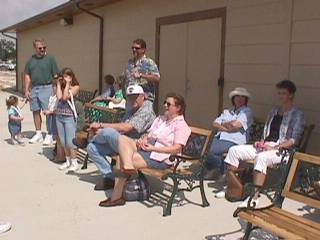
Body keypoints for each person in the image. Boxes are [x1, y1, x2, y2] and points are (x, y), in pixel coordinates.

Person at [98, 93, 191, 207]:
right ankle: (128, 167)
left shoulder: (181, 126)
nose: (165, 106)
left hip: (161, 156)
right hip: (148, 148)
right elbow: (149, 134)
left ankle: (116, 197)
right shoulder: (161, 119)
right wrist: (143, 140)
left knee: (120, 159)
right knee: (122, 138)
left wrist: (153, 148)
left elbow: (177, 149)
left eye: (168, 104)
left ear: (178, 108)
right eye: (165, 103)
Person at [223, 80, 305, 207]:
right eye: (279, 93)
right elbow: (267, 131)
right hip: (266, 146)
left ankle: (254, 197)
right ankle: (234, 188)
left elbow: (294, 140)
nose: (281, 96)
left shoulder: (297, 114)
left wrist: (275, 146)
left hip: (283, 151)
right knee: (234, 150)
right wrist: (261, 142)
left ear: (291, 95)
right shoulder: (274, 111)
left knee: (261, 157)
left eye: (283, 93)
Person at [86, 85, 155, 190]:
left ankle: (88, 138)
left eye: (135, 96)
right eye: (130, 97)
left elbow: (127, 127)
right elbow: (122, 127)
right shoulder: (132, 108)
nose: (132, 99)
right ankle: (109, 177)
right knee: (92, 148)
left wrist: (101, 126)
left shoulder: (146, 109)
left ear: (142, 96)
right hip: (123, 142)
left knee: (107, 132)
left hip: (136, 145)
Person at [204, 87, 253, 181]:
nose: (239, 99)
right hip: (220, 137)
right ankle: (216, 168)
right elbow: (215, 124)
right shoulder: (227, 111)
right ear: (233, 99)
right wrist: (228, 126)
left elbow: (235, 125)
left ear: (246, 99)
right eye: (237, 96)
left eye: (242, 97)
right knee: (203, 147)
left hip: (234, 140)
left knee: (208, 150)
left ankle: (220, 169)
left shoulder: (247, 112)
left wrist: (223, 124)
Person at [24, 38, 59, 144]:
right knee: (35, 111)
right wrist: (26, 90)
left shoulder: (50, 58)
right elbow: (27, 75)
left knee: (48, 112)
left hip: (47, 87)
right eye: (40, 48)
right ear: (35, 48)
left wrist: (56, 90)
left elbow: (56, 75)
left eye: (44, 47)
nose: (42, 49)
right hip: (34, 88)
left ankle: (50, 134)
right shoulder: (31, 60)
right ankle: (38, 133)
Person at [55, 68, 80, 172]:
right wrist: (58, 85)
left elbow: (65, 97)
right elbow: (59, 96)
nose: (64, 79)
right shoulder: (61, 86)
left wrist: (68, 84)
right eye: (63, 76)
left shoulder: (76, 87)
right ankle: (68, 160)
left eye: (66, 76)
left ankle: (74, 162)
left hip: (69, 117)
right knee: (63, 140)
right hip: (59, 115)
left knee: (70, 140)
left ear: (70, 77)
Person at [124, 38, 160, 103]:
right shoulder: (129, 63)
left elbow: (157, 78)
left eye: (137, 48)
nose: (134, 50)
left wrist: (142, 75)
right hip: (130, 99)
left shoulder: (149, 62)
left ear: (143, 50)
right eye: (132, 48)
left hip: (145, 99)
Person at [42, 78, 58, 145]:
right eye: (53, 86)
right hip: (50, 113)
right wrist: (47, 110)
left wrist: (50, 112)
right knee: (48, 122)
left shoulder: (58, 97)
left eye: (55, 86)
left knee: (53, 123)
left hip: (55, 114)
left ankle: (51, 135)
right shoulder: (52, 96)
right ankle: (50, 133)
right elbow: (50, 105)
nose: (54, 88)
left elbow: (57, 109)